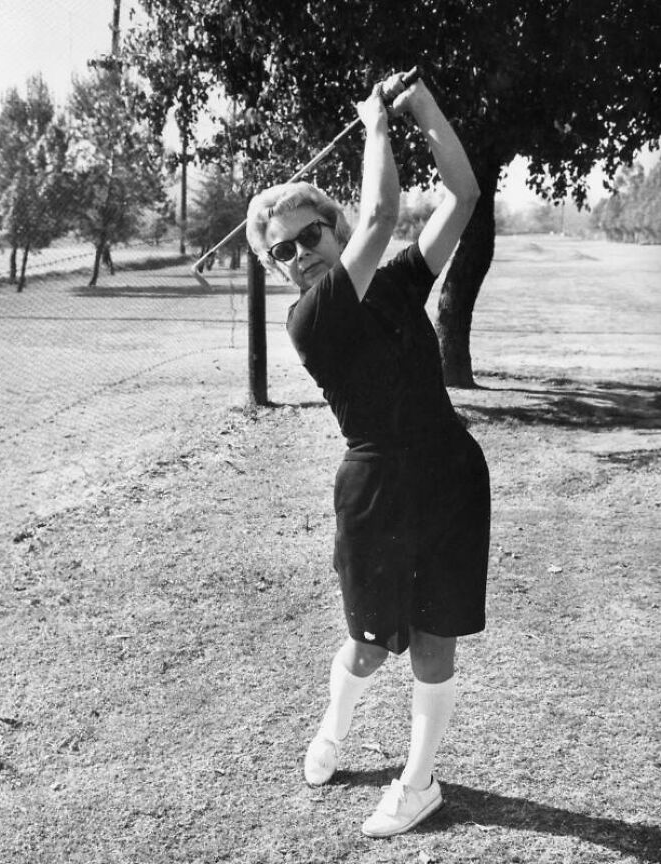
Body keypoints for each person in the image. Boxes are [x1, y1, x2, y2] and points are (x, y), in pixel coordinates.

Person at [245, 72, 490, 838]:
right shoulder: (308, 320)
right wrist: (373, 123)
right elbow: (383, 212)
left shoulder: (394, 283)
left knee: (436, 634)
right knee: (370, 643)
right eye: (280, 251)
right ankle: (334, 727)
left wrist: (418, 107)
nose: (299, 255)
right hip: (376, 489)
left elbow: (464, 195)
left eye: (309, 235)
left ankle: (419, 783)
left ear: (330, 224)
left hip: (450, 472)